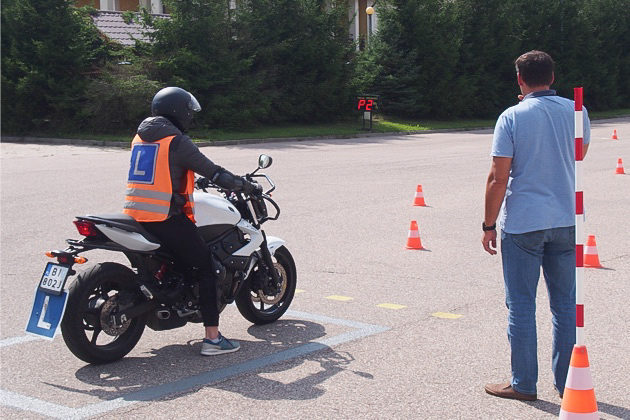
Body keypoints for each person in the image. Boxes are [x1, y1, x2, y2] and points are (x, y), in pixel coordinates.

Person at [482, 51, 590, 401]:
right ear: (552, 77)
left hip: (525, 223)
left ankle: (524, 383)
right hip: (566, 219)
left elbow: (499, 177)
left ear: (519, 79)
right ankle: (567, 383)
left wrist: (488, 224)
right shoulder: (577, 111)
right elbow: (579, 155)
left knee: (521, 305)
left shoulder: (512, 116)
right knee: (564, 304)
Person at [123, 86, 261, 356]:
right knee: (207, 269)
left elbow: (162, 172)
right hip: (165, 218)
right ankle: (212, 339)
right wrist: (243, 185)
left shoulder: (141, 137)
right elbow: (214, 172)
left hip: (136, 215)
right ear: (179, 112)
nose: (190, 117)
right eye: (188, 112)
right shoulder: (176, 140)